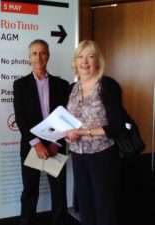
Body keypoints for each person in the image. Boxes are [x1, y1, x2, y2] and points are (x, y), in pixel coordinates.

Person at [64, 40, 124, 225]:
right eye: (81, 57)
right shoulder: (72, 89)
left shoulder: (107, 85)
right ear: (75, 62)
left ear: (98, 61)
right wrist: (69, 133)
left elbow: (117, 127)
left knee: (104, 206)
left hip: (102, 154)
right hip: (78, 154)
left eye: (90, 56)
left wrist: (82, 132)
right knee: (85, 204)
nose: (85, 61)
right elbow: (69, 122)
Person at [13, 39, 69, 225]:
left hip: (56, 145)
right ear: (29, 58)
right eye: (35, 53)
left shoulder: (62, 85)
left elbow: (66, 118)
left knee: (59, 192)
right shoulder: (20, 85)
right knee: (29, 191)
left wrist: (57, 143)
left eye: (43, 53)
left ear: (48, 56)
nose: (39, 57)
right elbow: (21, 119)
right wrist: (36, 143)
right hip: (31, 146)